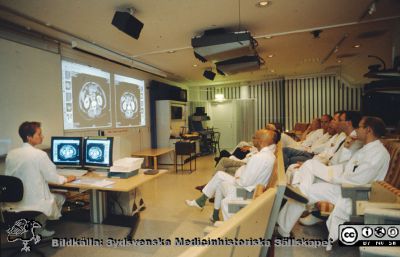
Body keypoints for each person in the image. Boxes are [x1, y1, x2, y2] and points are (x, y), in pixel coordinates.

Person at [277, 116, 390, 250]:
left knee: (308, 191)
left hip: (353, 193)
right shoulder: (366, 148)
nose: (356, 130)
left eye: (359, 127)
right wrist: (344, 151)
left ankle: (287, 221)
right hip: (344, 184)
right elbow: (345, 166)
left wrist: (331, 177)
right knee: (310, 164)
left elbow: (357, 180)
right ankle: (299, 191)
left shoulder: (377, 154)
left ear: (368, 130)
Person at [186, 129, 279, 222]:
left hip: (248, 193)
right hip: (252, 188)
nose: (252, 139)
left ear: (260, 141)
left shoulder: (259, 157)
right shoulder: (268, 155)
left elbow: (244, 182)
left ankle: (203, 203)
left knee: (220, 179)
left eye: (254, 137)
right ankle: (213, 214)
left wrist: (238, 177)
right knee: (220, 179)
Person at [4, 121, 76, 237]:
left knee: (50, 194)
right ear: (29, 137)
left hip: (13, 203)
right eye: (39, 134)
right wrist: (67, 179)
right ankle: (39, 229)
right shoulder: (39, 154)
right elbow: (52, 177)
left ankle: (31, 227)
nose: (42, 137)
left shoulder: (11, 154)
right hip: (33, 204)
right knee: (60, 198)